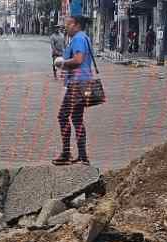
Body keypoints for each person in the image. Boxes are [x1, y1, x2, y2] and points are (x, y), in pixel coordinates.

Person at [53, 15, 95, 166]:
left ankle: (66, 153)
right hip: (84, 84)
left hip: (77, 85)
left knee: (62, 116)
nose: (66, 27)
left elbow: (78, 60)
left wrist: (62, 63)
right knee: (77, 119)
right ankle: (83, 157)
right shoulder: (84, 37)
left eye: (68, 24)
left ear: (76, 25)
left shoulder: (78, 38)